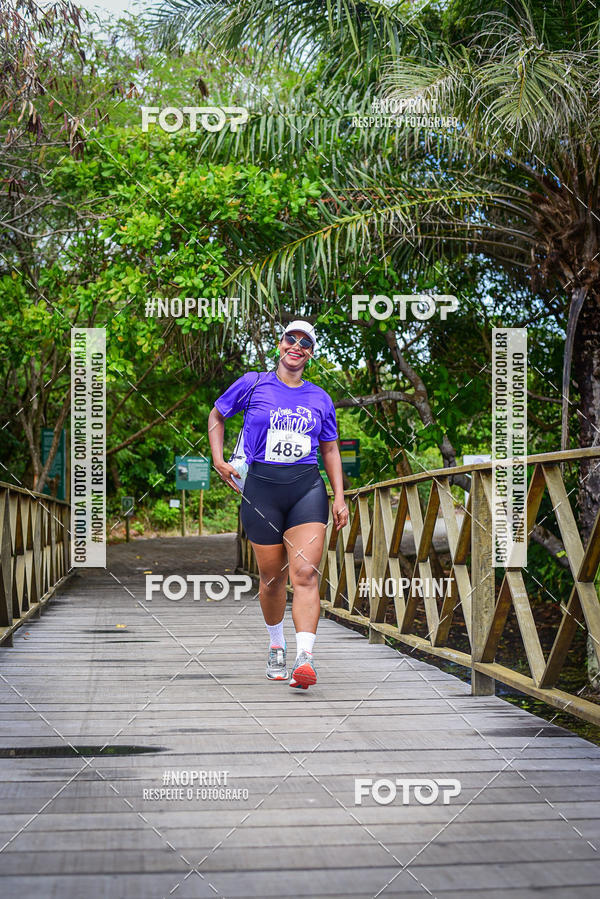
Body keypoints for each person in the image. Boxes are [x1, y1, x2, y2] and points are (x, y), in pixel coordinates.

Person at [208, 320, 349, 689]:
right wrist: (219, 459)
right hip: (261, 491)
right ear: (280, 343)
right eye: (292, 338)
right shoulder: (253, 382)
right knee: (272, 579)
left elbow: (330, 448)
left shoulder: (320, 398)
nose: (297, 346)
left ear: (311, 353)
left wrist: (340, 496)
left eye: (306, 342)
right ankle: (276, 644)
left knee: (305, 575)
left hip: (306, 489)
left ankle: (305, 658)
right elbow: (217, 415)